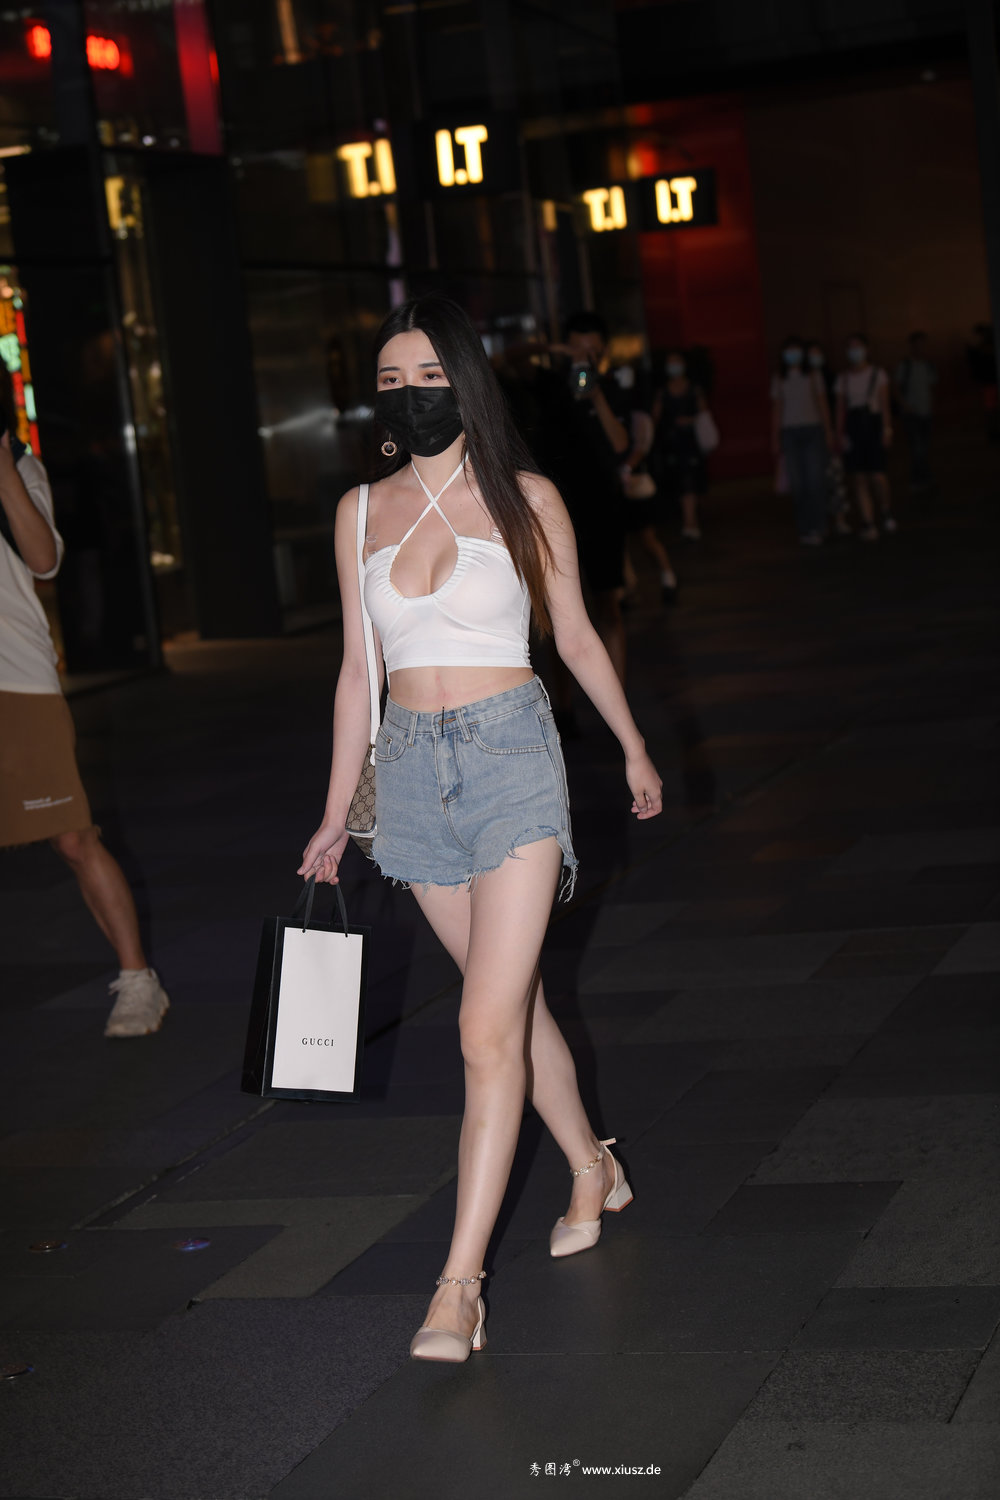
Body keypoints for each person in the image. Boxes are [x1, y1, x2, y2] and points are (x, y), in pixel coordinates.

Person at [298, 294, 662, 1364]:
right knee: (510, 1008)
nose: (408, 396)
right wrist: (335, 812)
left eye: (427, 378)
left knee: (480, 1028)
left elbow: (577, 637)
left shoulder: (526, 497)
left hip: (512, 764)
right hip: (410, 776)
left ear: (465, 384)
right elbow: (358, 673)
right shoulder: (358, 513)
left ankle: (458, 1288)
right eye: (390, 381)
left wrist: (633, 747)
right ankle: (590, 1162)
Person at [0, 378, 169, 1038]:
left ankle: (137, 979)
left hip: (16, 682)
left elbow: (44, 560)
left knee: (72, 836)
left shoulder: (21, 468)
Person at [613, 364, 678, 605]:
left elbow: (641, 447)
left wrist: (626, 468)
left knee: (648, 538)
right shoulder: (611, 411)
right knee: (620, 542)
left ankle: (668, 577)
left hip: (637, 484)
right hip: (617, 486)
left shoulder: (640, 417)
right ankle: (627, 586)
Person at [770, 336, 834, 545]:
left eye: (796, 350)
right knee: (798, 484)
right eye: (789, 351)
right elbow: (777, 409)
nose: (793, 355)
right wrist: (775, 437)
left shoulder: (813, 375)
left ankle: (819, 526)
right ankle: (805, 528)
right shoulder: (779, 378)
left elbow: (822, 404)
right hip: (790, 433)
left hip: (813, 431)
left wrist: (828, 431)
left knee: (815, 481)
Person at [834, 334, 895, 541]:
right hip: (853, 428)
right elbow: (840, 408)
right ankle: (868, 522)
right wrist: (839, 434)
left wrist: (887, 430)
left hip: (873, 426)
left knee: (877, 475)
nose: (855, 351)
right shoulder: (843, 378)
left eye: (858, 346)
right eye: (850, 347)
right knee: (858, 477)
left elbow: (885, 405)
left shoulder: (878, 373)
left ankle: (885, 509)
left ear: (866, 349)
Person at [652, 349, 708, 540]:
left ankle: (690, 522)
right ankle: (689, 519)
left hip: (691, 442)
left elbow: (704, 414)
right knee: (679, 482)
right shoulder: (662, 391)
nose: (673, 366)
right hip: (671, 443)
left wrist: (690, 420)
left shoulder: (694, 389)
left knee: (689, 480)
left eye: (677, 361)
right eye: (670, 362)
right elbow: (655, 418)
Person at [806, 339, 850, 535]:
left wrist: (834, 432)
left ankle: (840, 519)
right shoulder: (805, 379)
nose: (815, 358)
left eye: (817, 353)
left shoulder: (831, 379)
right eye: (811, 354)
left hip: (830, 435)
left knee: (835, 478)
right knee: (815, 481)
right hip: (812, 436)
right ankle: (821, 521)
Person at [894, 331, 937, 491]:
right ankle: (921, 479)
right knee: (917, 448)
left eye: (923, 344)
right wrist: (905, 405)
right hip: (911, 413)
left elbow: (932, 385)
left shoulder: (928, 365)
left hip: (926, 412)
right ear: (912, 346)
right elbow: (895, 387)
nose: (921, 348)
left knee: (924, 447)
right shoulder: (905, 365)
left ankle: (922, 478)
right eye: (917, 344)